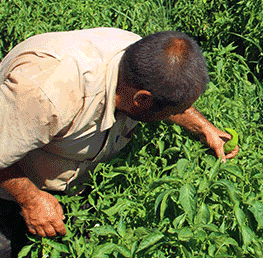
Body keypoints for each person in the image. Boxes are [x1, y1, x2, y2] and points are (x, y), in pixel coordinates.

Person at [0, 28, 239, 257]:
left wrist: (203, 127)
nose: (170, 116)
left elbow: (164, 96)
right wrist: (30, 199)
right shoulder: (47, 92)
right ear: (141, 99)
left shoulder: (144, 61)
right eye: (167, 113)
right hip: (9, 184)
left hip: (72, 185)